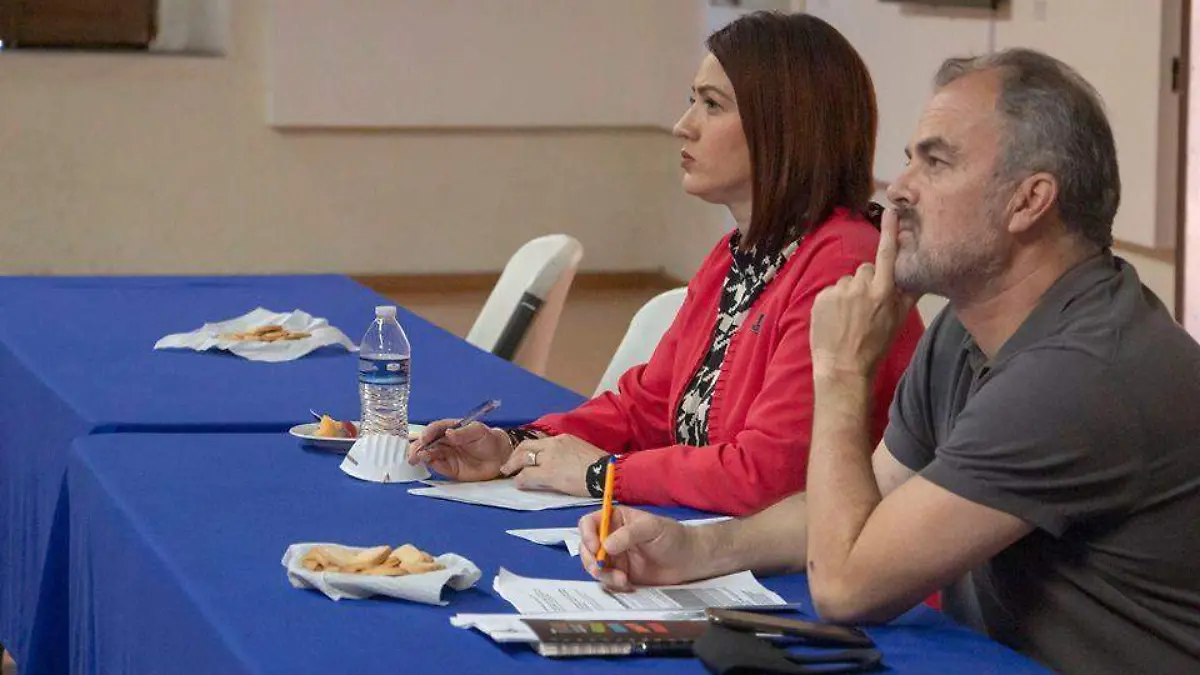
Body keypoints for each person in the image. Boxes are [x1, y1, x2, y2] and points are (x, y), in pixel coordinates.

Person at [578, 48, 1200, 675]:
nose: (898, 190)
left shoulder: (1082, 371)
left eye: (935, 161)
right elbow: (875, 495)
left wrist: (843, 372)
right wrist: (698, 548)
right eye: (908, 160)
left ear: (1029, 201)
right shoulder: (967, 326)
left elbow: (847, 585)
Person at [408, 12, 923, 516]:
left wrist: (603, 475)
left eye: (712, 105)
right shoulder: (739, 254)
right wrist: (516, 445)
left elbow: (768, 477)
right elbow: (648, 407)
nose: (683, 127)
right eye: (690, 101)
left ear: (785, 126)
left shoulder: (841, 264)